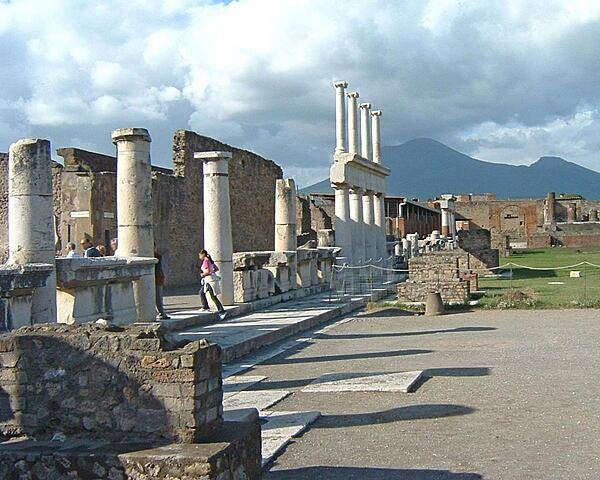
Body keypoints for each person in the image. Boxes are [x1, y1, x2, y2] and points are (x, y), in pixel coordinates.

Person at [196, 249, 226, 319]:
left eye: (199, 255)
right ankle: (205, 306)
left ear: (202, 254)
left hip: (210, 280)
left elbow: (208, 271)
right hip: (209, 280)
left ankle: (222, 311)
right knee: (201, 292)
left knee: (213, 296)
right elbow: (216, 268)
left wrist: (203, 274)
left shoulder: (206, 261)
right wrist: (212, 272)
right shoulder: (209, 260)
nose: (199, 257)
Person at [154, 246, 170, 320]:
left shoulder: (157, 256)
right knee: (158, 297)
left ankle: (161, 313)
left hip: (157, 278)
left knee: (158, 297)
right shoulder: (157, 256)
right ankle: (160, 313)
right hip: (157, 278)